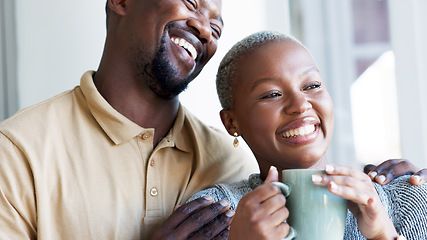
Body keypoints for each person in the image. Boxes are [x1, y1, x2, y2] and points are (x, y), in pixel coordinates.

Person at [0, 1, 424, 239]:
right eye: (190, 1)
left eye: (216, 28)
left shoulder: (237, 163)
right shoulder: (18, 152)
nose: (204, 29)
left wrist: (396, 199)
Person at [188, 31, 427, 239]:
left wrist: (383, 235)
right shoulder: (212, 217)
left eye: (312, 86)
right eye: (271, 94)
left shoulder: (408, 200)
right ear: (231, 122)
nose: (301, 104)